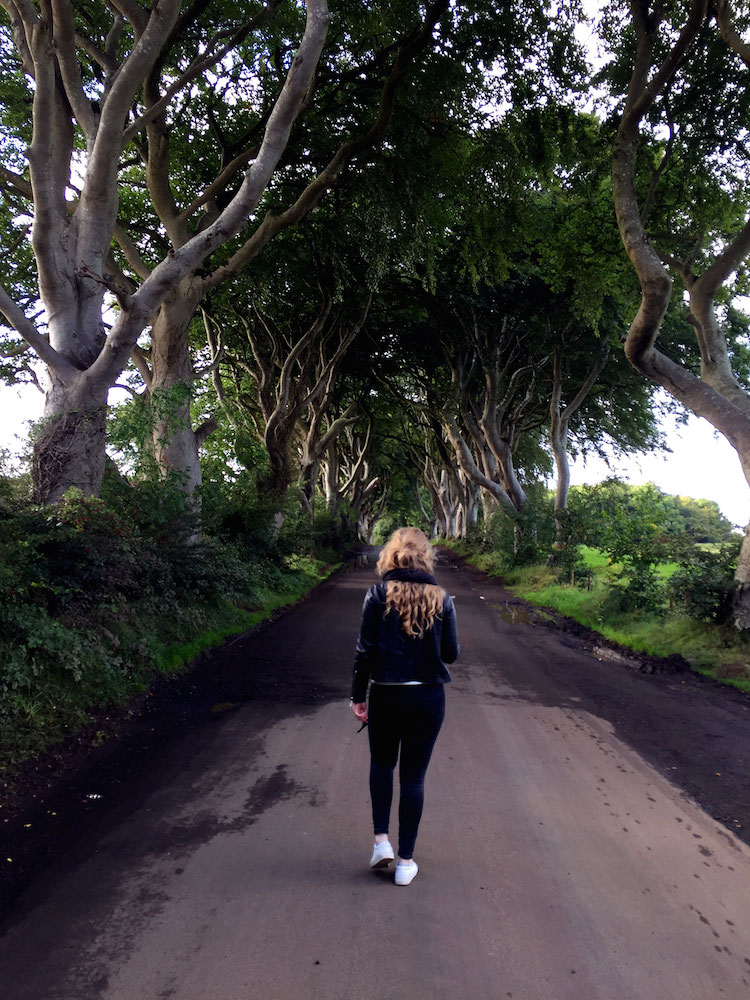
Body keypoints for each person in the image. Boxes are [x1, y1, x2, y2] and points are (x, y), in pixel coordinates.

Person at [351, 527, 459, 886]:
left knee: (382, 765)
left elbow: (364, 652)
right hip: (428, 698)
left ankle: (381, 841)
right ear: (425, 558)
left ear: (390, 558)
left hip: (386, 694)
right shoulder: (442, 599)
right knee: (413, 777)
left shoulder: (378, 594)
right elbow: (450, 655)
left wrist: (357, 696)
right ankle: (405, 863)